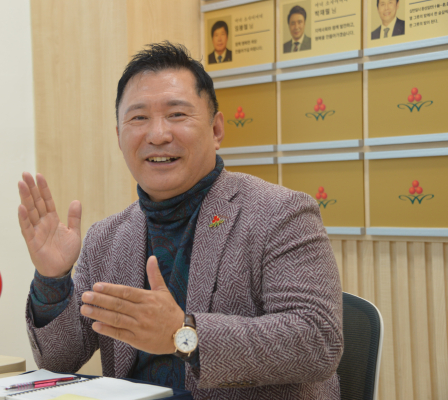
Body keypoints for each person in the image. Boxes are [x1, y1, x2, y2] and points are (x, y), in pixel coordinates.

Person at [18, 42, 343, 399]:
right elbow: (59, 359)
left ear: (216, 130)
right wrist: (52, 280)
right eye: (138, 118)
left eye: (176, 114)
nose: (158, 135)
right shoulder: (107, 236)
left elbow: (317, 341)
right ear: (119, 137)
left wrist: (183, 335)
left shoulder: (280, 213)